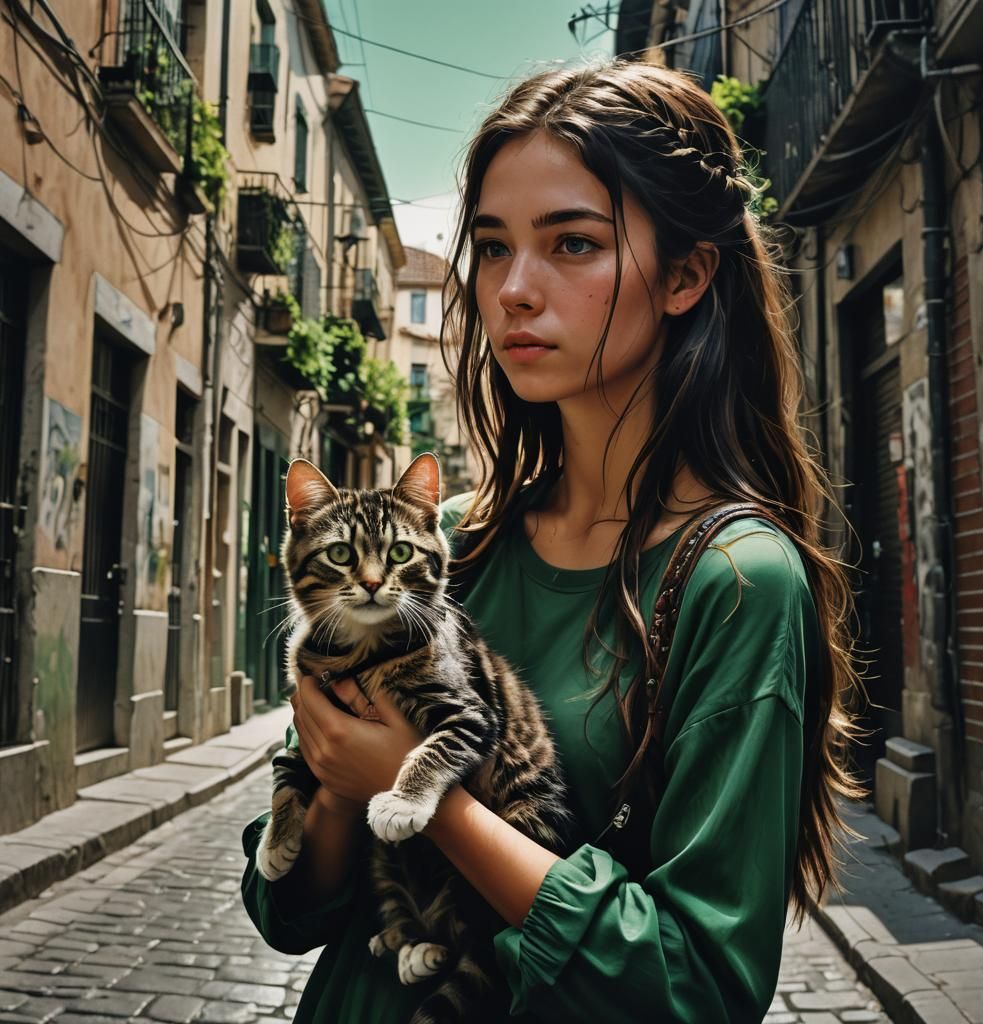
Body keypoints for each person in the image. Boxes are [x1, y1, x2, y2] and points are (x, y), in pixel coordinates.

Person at [240, 59, 863, 1023]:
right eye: (493, 247)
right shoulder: (451, 548)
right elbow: (291, 911)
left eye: (573, 243)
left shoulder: (737, 580)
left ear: (686, 274)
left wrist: (433, 800)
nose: (514, 291)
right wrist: (330, 779)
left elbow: (696, 988)